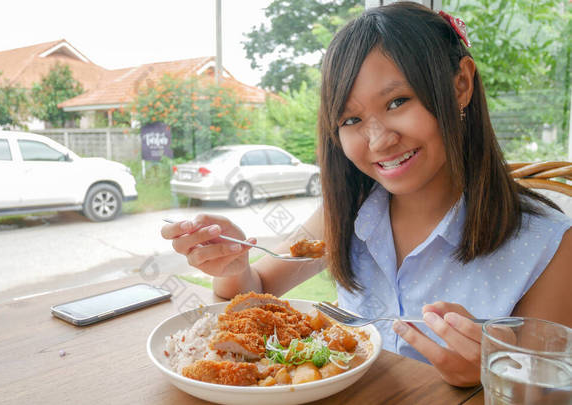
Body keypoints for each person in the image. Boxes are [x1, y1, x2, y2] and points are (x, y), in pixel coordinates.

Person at [161, 2, 572, 387]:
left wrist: (489, 370)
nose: (378, 140)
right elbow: (254, 289)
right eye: (352, 118)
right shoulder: (350, 210)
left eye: (397, 101)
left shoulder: (551, 246)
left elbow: (549, 388)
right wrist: (234, 263)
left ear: (460, 84)